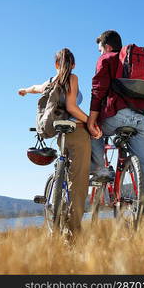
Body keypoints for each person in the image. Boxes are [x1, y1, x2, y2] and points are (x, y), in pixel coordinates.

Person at [87, 30, 144, 229]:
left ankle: (101, 169)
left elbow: (98, 88)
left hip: (116, 114)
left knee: (94, 132)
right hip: (141, 119)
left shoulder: (107, 59)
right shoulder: (139, 64)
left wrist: (92, 120)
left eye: (100, 49)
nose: (99, 53)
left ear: (107, 47)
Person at [18, 48, 91, 238]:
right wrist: (91, 121)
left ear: (55, 65)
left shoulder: (50, 82)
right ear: (73, 65)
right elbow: (72, 107)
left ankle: (57, 205)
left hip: (60, 134)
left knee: (67, 171)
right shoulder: (72, 78)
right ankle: (72, 233)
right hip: (76, 131)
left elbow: (35, 87)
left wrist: (25, 91)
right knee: (79, 181)